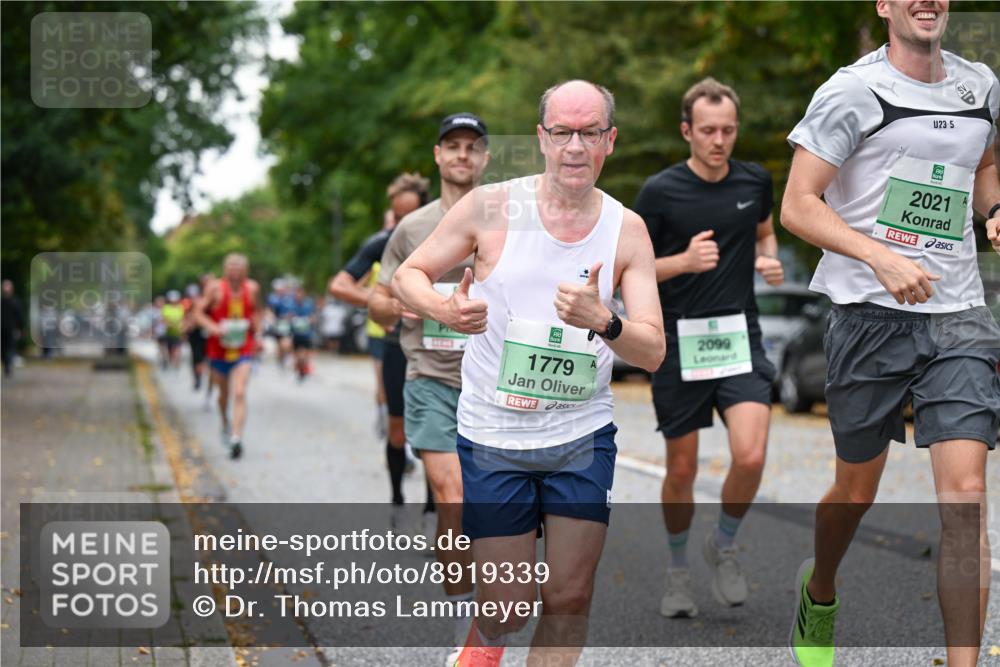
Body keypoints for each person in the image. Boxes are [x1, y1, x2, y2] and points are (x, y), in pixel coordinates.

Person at [393, 80, 664, 667]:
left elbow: (653, 351)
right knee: (507, 605)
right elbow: (408, 274)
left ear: (609, 141)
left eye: (588, 132)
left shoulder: (628, 229)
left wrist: (605, 321)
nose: (574, 146)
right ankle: (484, 641)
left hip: (581, 434)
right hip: (495, 437)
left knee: (569, 596)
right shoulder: (490, 208)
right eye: (562, 132)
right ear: (541, 138)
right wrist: (443, 308)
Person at [781, 2, 1000, 665]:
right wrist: (877, 253)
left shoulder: (981, 85)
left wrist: (994, 209)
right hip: (868, 316)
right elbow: (798, 204)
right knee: (856, 491)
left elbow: (985, 162)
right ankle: (819, 589)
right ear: (884, 4)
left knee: (965, 494)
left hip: (958, 314)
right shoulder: (851, 91)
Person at [632, 77, 784, 618]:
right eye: (708, 131)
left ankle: (723, 543)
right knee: (682, 470)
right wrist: (682, 263)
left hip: (739, 338)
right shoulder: (660, 191)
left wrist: (767, 257)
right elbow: (633, 269)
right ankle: (677, 573)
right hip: (676, 343)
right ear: (686, 131)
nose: (719, 140)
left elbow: (764, 231)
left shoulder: (755, 180)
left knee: (751, 454)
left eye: (728, 130)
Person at [368, 112, 490, 665]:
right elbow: (378, 297)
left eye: (472, 147)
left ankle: (473, 607)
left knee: (489, 506)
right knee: (454, 496)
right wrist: (399, 302)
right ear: (438, 157)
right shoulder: (412, 228)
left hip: (493, 385)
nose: (462, 155)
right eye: (453, 147)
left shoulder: (507, 221)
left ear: (484, 158)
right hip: (431, 380)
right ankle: (466, 615)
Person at [330, 173, 435, 530]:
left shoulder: (446, 238)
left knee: (439, 430)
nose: (400, 225)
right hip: (395, 346)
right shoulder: (383, 242)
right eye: (395, 216)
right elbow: (339, 285)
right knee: (397, 430)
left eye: (409, 216)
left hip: (439, 346)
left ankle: (434, 510)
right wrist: (378, 298)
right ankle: (397, 500)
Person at [196, 254, 262, 459]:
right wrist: (213, 327)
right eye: (231, 267)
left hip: (243, 348)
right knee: (223, 395)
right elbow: (198, 313)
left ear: (245, 270)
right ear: (225, 269)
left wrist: (258, 334)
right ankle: (225, 420)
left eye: (238, 267)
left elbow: (256, 313)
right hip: (218, 350)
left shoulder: (252, 288)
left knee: (240, 392)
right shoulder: (215, 288)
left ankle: (236, 438)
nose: (234, 271)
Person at [290, 286, 316, 382]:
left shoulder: (309, 305)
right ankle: (299, 369)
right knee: (298, 357)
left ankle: (304, 369)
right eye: (297, 294)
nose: (299, 296)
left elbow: (313, 317)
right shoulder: (291, 305)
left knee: (304, 356)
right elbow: (287, 317)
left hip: (306, 335)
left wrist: (310, 320)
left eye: (300, 293)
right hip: (296, 335)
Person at [1, 280, 23, 377]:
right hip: (1, 330)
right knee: (2, 349)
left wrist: (20, 328)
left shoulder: (15, 302)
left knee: (10, 348)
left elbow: (19, 317)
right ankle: (6, 365)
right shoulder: (1, 302)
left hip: (11, 330)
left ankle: (8, 366)